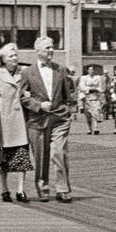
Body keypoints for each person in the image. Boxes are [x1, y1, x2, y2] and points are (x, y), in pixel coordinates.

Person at [19, 36, 75, 203]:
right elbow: (22, 96)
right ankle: (43, 188)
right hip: (37, 121)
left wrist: (68, 111)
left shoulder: (61, 70)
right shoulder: (27, 73)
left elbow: (68, 93)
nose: (51, 50)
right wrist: (38, 105)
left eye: (52, 47)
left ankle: (63, 189)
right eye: (47, 48)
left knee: (59, 153)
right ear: (38, 52)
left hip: (59, 118)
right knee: (41, 157)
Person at [0, 45, 33, 203]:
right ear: (3, 60)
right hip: (4, 121)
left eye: (15, 55)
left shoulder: (25, 72)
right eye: (10, 56)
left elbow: (30, 91)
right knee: (2, 157)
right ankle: (4, 189)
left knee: (22, 156)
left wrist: (28, 94)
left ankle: (21, 190)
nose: (15, 58)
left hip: (21, 121)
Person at [79, 65, 107, 135]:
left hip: (95, 97)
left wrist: (96, 89)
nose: (91, 71)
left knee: (96, 112)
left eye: (92, 70)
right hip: (87, 97)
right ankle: (89, 128)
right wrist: (90, 89)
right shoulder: (83, 78)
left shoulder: (98, 77)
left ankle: (96, 128)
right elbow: (82, 87)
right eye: (90, 69)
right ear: (87, 71)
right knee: (88, 114)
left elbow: (100, 87)